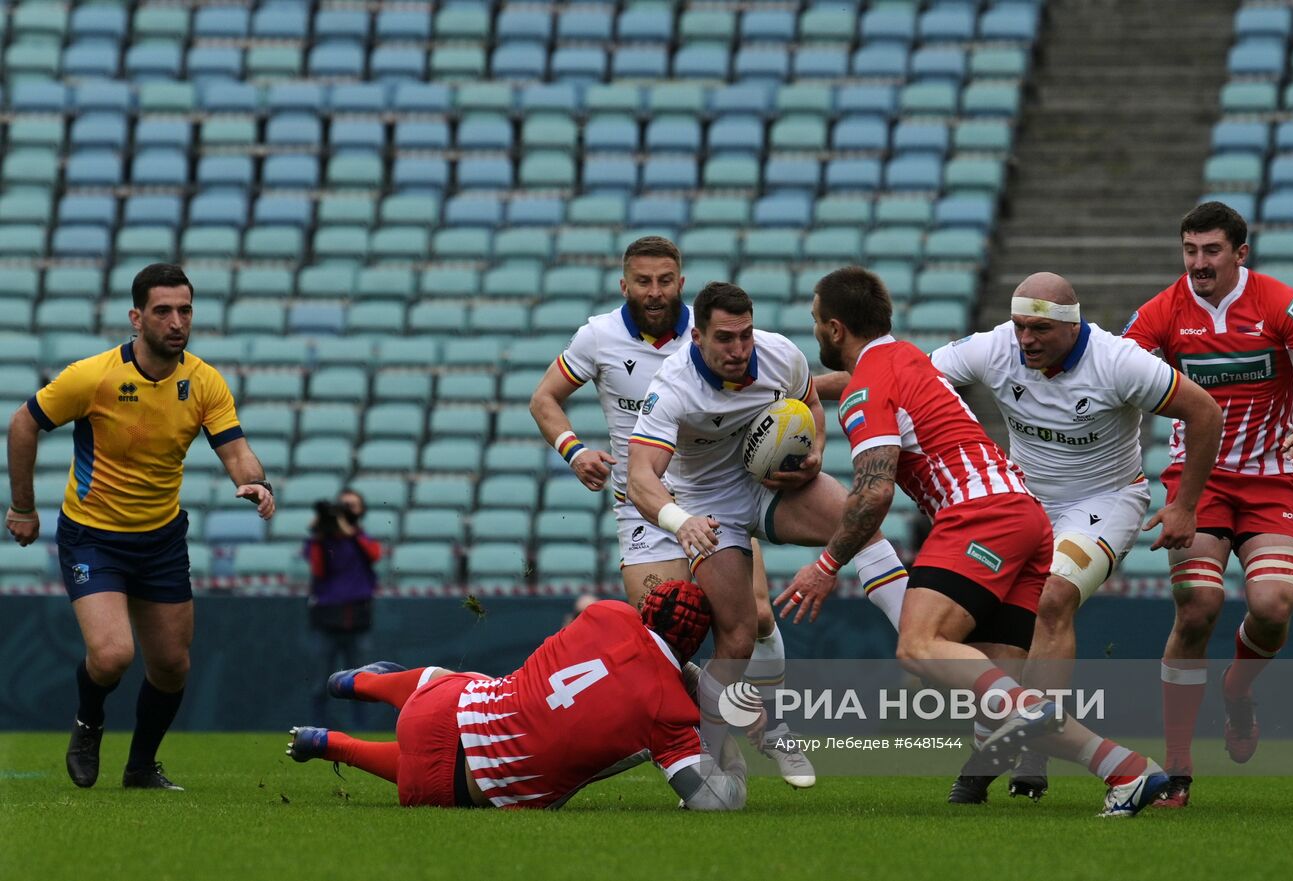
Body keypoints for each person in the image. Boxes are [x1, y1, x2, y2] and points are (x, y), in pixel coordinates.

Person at [814, 272, 1222, 803]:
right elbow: (901, 381)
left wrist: (1185, 505)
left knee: (1040, 602)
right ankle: (1045, 752)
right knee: (981, 661)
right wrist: (795, 391)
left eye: (1040, 329)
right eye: (1020, 326)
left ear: (1072, 327)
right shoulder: (995, 348)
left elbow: (1205, 411)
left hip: (1100, 502)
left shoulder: (1118, 361)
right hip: (1024, 499)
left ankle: (1033, 753)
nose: (1026, 339)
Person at [528, 237, 832, 787]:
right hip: (643, 506)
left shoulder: (718, 334)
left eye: (665, 280)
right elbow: (543, 398)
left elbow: (794, 386)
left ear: (681, 282)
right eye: (642, 281)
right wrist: (573, 450)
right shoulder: (598, 337)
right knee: (669, 632)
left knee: (756, 618)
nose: (654, 291)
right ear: (625, 285)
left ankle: (772, 725)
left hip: (720, 494)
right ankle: (732, 732)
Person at [5, 263, 276, 791]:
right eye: (163, 311)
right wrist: (23, 507)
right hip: (93, 535)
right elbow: (24, 422)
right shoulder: (94, 375)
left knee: (172, 666)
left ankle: (141, 767)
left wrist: (257, 483)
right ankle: (88, 723)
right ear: (136, 317)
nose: (177, 322)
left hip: (161, 539)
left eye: (185, 310)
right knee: (112, 656)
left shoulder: (203, 381)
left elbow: (237, 450)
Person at [1123, 202, 1293, 807]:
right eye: (1190, 251)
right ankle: (1176, 768)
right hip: (1197, 478)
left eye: (1211, 252)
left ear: (1239, 254)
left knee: (1274, 605)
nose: (1199, 263)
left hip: (1272, 478)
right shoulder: (1160, 312)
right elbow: (1116, 378)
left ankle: (1236, 690)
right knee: (1198, 607)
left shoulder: (1279, 302)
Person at [627, 282, 909, 772]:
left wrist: (816, 452)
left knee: (861, 522)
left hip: (774, 484)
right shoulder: (672, 387)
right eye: (725, 339)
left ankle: (920, 636)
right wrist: (681, 520)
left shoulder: (782, 355)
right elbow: (639, 478)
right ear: (697, 338)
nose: (739, 350)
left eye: (746, 335)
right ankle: (713, 763)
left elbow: (812, 407)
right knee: (736, 639)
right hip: (710, 507)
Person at [285, 580, 747, 811]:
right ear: (695, 645)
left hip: (443, 706)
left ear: (648, 607)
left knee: (472, 683)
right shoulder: (671, 713)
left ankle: (359, 684)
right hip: (456, 786)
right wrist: (727, 740)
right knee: (417, 766)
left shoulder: (607, 613)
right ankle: (330, 744)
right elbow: (717, 801)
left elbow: (613, 665)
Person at [303, 488, 382, 726]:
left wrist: (352, 533)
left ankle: (361, 731)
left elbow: (374, 555)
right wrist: (319, 532)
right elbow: (317, 569)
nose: (347, 511)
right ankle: (315, 732)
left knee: (362, 681)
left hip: (357, 618)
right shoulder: (322, 541)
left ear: (361, 511)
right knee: (320, 681)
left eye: (353, 506)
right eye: (343, 506)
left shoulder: (362, 539)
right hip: (327, 619)